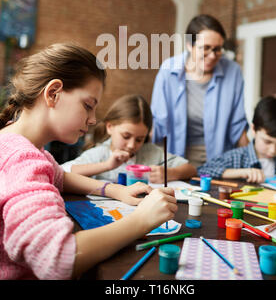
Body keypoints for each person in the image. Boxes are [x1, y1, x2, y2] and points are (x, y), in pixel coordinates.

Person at [0, 43, 177, 280]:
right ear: (53, 93)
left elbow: (60, 176)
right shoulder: (22, 159)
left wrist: (115, 190)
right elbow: (57, 258)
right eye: (88, 106)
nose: (94, 120)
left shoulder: (16, 140)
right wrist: (142, 219)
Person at [151, 14, 249, 167]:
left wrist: (252, 163)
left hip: (220, 159)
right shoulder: (168, 71)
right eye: (206, 48)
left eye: (217, 49)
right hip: (178, 158)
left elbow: (238, 125)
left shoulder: (233, 71)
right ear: (190, 45)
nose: (212, 56)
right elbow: (158, 122)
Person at [62, 94, 197, 183]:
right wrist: (106, 166)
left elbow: (190, 168)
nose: (132, 145)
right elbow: (63, 171)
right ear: (110, 127)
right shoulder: (100, 154)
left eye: (140, 139)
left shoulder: (150, 152)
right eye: (126, 136)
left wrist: (170, 173)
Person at [197, 96, 276, 182]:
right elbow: (202, 170)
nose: (272, 150)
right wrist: (241, 172)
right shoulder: (236, 158)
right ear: (254, 129)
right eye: (267, 141)